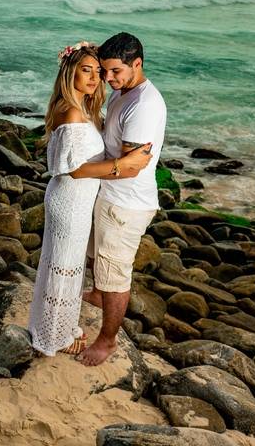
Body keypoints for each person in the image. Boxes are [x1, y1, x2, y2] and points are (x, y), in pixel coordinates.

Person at [28, 41, 153, 357]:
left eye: (99, 72)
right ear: (70, 73)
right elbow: (64, 169)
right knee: (63, 268)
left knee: (66, 267)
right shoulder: (71, 112)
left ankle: (59, 327)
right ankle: (54, 338)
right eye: (87, 71)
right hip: (69, 201)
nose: (96, 78)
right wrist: (121, 166)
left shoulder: (84, 108)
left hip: (80, 201)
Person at [78, 32, 167, 366]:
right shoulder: (124, 90)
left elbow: (128, 169)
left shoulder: (143, 105)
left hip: (126, 203)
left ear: (137, 64)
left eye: (115, 71)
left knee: (115, 275)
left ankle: (107, 340)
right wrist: (80, 54)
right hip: (109, 195)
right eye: (104, 71)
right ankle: (98, 295)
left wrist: (79, 171)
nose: (108, 78)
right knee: (95, 257)